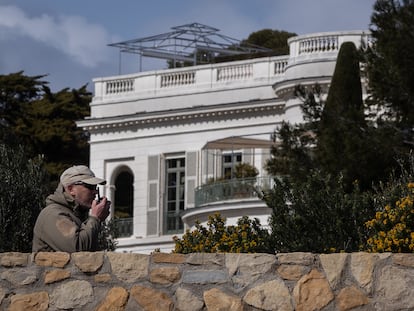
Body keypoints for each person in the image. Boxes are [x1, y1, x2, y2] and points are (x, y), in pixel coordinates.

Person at [32, 165, 111, 252]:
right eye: (90, 187)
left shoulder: (75, 215)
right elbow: (77, 249)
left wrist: (97, 221)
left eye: (96, 188)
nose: (95, 192)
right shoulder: (53, 214)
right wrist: (95, 218)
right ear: (70, 189)